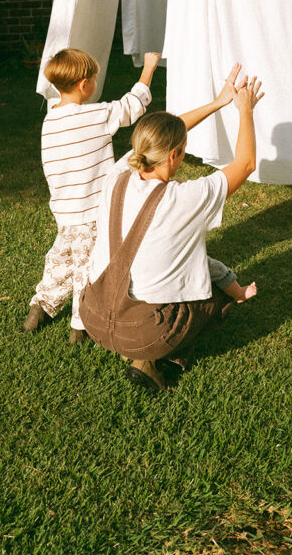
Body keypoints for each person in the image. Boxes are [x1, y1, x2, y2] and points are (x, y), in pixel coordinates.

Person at [80, 64, 264, 390]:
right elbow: (245, 164)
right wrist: (245, 110)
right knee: (216, 292)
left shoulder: (117, 176)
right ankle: (158, 358)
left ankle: (143, 349)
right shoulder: (185, 198)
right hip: (141, 332)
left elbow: (168, 132)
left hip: (92, 315)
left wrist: (218, 102)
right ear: (175, 154)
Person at [23, 47, 161, 343]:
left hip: (65, 212)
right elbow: (132, 105)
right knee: (89, 267)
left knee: (61, 260)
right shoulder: (95, 115)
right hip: (91, 212)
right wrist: (148, 68)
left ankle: (40, 307)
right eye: (95, 79)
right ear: (84, 84)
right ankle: (80, 325)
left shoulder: (51, 120)